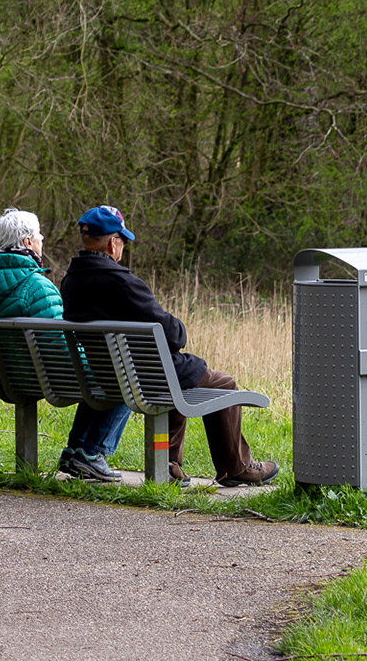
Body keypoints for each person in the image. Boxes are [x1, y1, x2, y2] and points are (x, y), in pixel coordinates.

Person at [58, 205, 279, 487]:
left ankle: (171, 464)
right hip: (145, 373)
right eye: (122, 241)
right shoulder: (121, 282)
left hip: (111, 372)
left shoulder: (70, 282)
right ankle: (236, 467)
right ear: (113, 243)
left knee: (179, 379)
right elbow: (174, 335)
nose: (122, 247)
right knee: (223, 383)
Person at [0, 208, 129, 482]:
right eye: (39, 235)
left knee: (103, 373)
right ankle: (91, 453)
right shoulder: (37, 287)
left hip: (8, 376)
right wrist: (94, 357)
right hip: (43, 378)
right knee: (122, 375)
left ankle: (75, 453)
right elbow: (59, 352)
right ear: (27, 242)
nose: (42, 238)